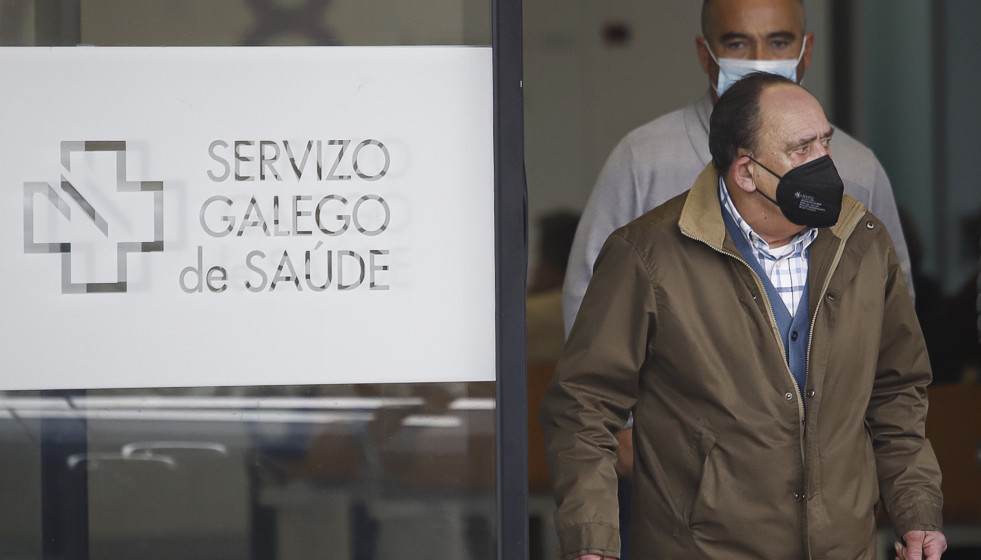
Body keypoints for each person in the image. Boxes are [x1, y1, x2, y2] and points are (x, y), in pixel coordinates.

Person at [541, 73, 945, 560]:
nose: (825, 164)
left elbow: (896, 393)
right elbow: (584, 406)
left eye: (825, 142)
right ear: (746, 172)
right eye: (801, 149)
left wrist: (917, 513)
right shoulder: (646, 256)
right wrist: (592, 539)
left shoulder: (863, 240)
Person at [562, 0, 913, 337]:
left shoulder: (856, 168)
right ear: (705, 53)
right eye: (738, 43)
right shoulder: (643, 160)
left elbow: (893, 310)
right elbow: (591, 306)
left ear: (806, 51)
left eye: (778, 42)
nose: (759, 61)